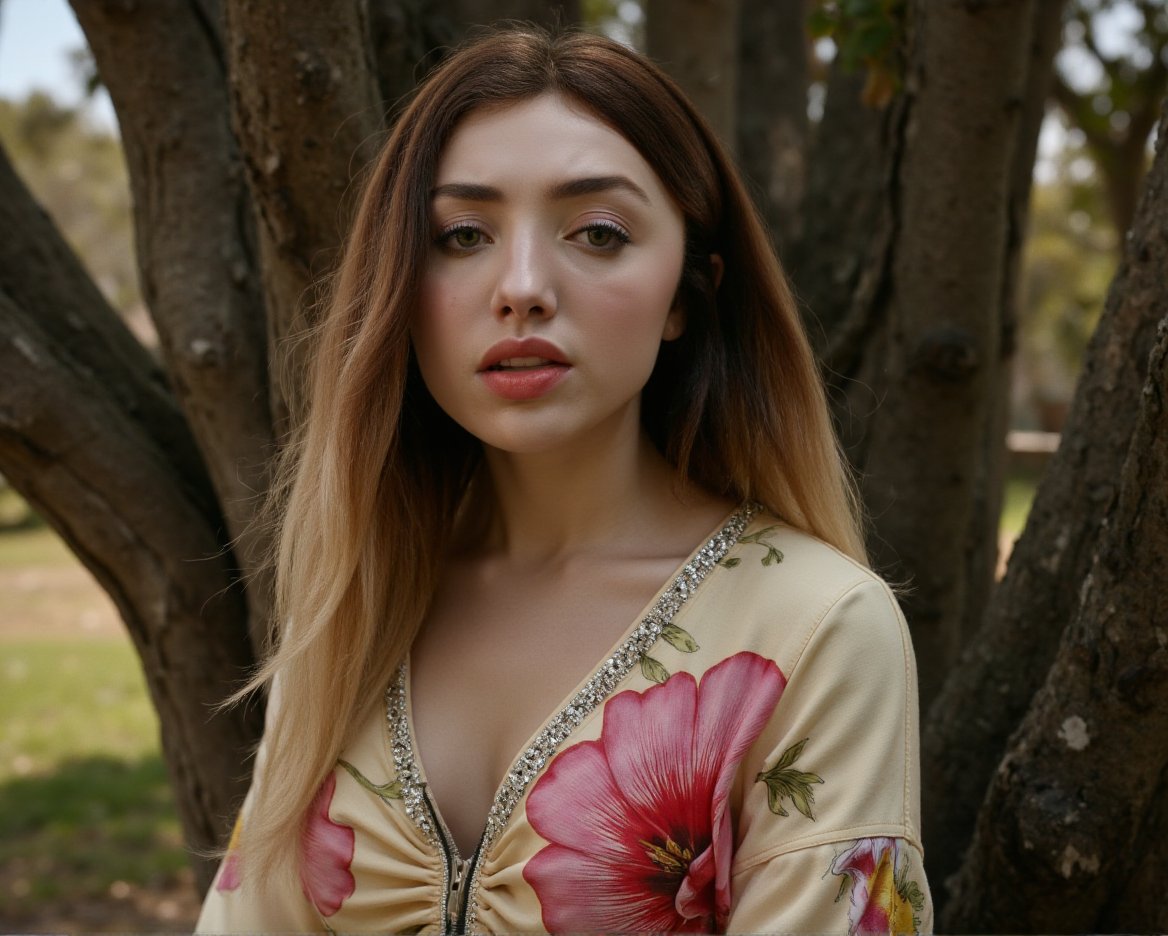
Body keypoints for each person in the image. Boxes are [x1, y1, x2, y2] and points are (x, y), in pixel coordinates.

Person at [196, 25, 932, 935]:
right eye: (462, 234)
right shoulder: (358, 599)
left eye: (598, 232)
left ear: (685, 294)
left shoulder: (817, 628)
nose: (523, 286)